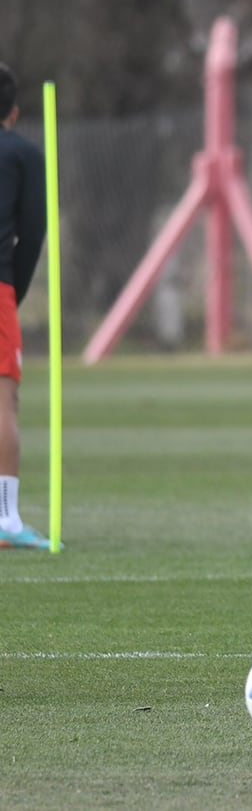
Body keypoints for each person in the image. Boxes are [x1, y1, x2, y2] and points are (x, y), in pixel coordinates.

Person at [0, 63, 52, 551]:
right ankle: (5, 519)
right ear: (12, 113)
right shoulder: (21, 154)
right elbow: (33, 231)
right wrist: (16, 288)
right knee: (3, 400)